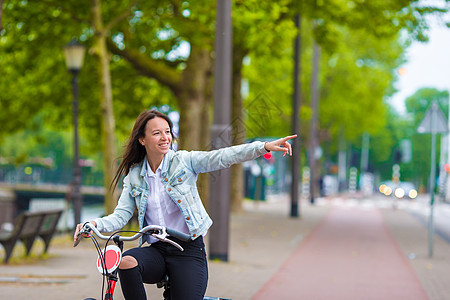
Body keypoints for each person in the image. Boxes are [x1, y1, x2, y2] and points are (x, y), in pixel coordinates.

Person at [74, 109, 297, 300]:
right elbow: (121, 215)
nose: (165, 137)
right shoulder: (134, 176)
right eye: (157, 133)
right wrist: (94, 224)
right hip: (157, 251)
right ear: (142, 140)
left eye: (167, 132)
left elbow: (222, 156)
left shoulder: (184, 161)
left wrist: (264, 147)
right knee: (126, 262)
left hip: (188, 250)